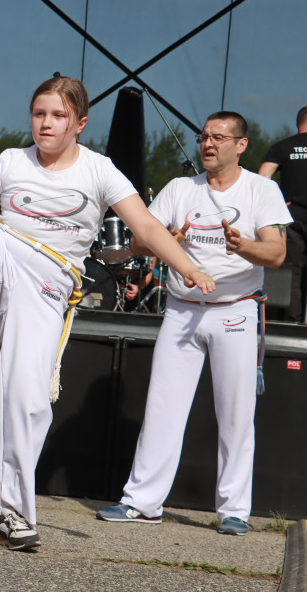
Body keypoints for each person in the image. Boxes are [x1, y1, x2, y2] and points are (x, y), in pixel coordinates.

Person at [0, 75, 215, 551]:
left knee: (27, 397)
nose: (45, 124)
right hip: (0, 248)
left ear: (80, 123)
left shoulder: (100, 170)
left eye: (57, 116)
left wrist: (189, 267)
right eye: (38, 114)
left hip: (49, 280)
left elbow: (148, 227)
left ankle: (13, 516)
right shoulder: (13, 160)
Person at [98, 111, 290, 535]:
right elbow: (136, 240)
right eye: (204, 136)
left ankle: (234, 509)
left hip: (235, 310)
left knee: (236, 413)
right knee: (162, 407)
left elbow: (276, 254)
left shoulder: (262, 190)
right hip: (182, 310)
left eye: (219, 137)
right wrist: (170, 241)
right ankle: (142, 502)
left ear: (240, 145)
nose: (208, 143)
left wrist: (245, 246)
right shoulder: (180, 188)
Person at [258, 106, 307, 323]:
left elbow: (263, 177)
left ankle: (290, 323)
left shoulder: (283, 146)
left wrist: (274, 203)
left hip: (291, 216)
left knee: (289, 274)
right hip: (292, 216)